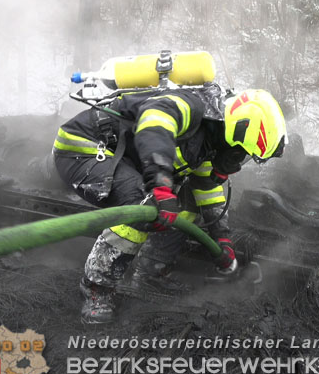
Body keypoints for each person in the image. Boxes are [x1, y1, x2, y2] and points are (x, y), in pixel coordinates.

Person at [53, 83, 287, 323]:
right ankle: (96, 289)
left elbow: (206, 187)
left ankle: (149, 273)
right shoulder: (191, 105)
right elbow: (154, 125)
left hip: (125, 161)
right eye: (243, 153)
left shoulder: (212, 137)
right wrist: (161, 186)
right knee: (147, 208)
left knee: (186, 209)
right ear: (236, 135)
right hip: (84, 149)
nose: (240, 160)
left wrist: (222, 239)